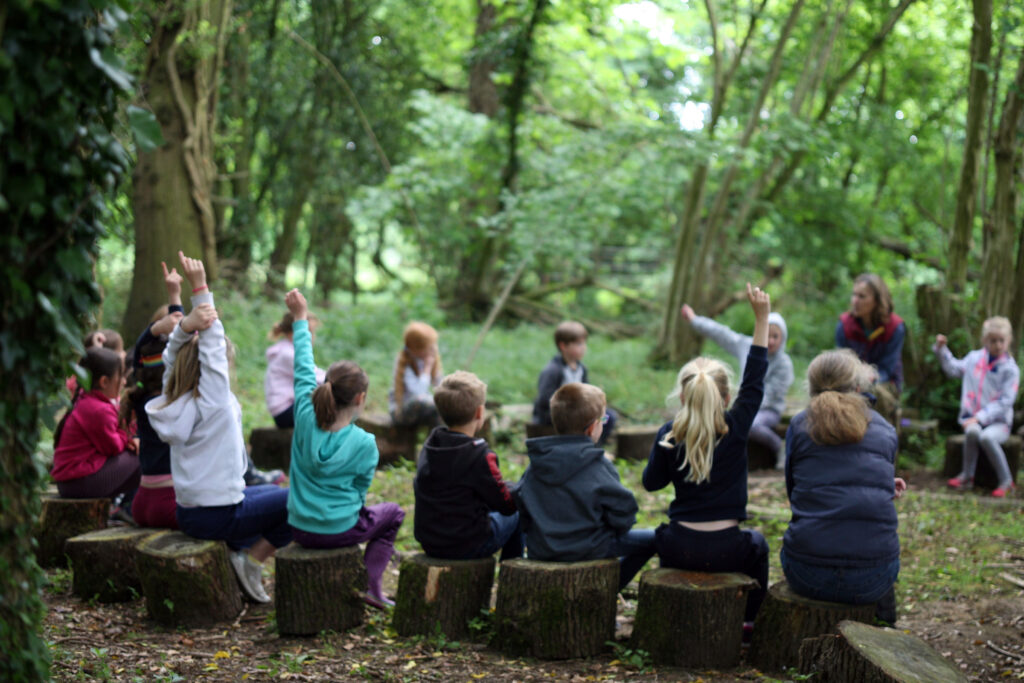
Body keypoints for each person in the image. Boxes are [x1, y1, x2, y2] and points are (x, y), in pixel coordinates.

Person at [147, 251, 291, 604]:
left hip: (191, 513)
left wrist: (181, 320)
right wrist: (201, 290)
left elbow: (171, 356)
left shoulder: (173, 394)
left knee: (272, 489)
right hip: (218, 515)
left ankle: (240, 550)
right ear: (214, 368)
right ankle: (250, 560)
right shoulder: (213, 399)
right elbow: (208, 349)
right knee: (305, 499)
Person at [644, 284, 772, 635]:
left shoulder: (670, 433)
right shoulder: (736, 426)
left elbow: (651, 483)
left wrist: (662, 450)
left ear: (683, 395)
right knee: (758, 545)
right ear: (727, 397)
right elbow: (756, 380)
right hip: (729, 550)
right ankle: (750, 621)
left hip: (678, 548)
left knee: (657, 535)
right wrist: (761, 319)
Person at [284, 288, 404, 609]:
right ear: (360, 399)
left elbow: (302, 365)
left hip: (298, 527)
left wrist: (299, 318)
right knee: (393, 513)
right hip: (339, 529)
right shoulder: (365, 443)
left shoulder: (305, 415)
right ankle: (373, 586)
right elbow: (361, 489)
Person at [781, 349, 906, 625]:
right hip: (873, 577)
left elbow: (795, 492)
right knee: (881, 566)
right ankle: (887, 628)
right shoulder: (885, 430)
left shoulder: (800, 426)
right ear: (859, 387)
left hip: (807, 572)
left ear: (812, 389)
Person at [516, 382, 655, 591]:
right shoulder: (598, 465)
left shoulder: (537, 463)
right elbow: (623, 512)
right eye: (604, 420)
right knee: (655, 539)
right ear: (592, 428)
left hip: (542, 548)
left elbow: (522, 504)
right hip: (591, 547)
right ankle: (609, 589)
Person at [414, 371, 521, 562]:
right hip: (468, 545)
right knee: (519, 511)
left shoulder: (431, 446)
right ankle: (513, 568)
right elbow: (505, 505)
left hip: (430, 541)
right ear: (479, 412)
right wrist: (517, 489)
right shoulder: (479, 455)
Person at [680, 302, 793, 465]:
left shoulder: (784, 364)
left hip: (768, 409)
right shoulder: (747, 345)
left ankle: (779, 446)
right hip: (743, 405)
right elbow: (720, 333)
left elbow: (772, 393)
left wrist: (743, 410)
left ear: (782, 338)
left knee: (750, 425)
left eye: (775, 337)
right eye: (767, 335)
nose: (771, 341)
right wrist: (694, 320)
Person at [121, 262, 185, 528]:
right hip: (170, 501)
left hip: (142, 502)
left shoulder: (140, 399)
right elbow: (182, 353)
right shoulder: (179, 403)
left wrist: (157, 327)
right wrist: (175, 296)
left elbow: (138, 357)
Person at [935, 316, 1019, 497]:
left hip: (999, 422)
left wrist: (981, 417)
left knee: (987, 437)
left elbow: (1006, 401)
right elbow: (953, 369)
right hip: (972, 418)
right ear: (984, 340)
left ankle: (1006, 481)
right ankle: (967, 476)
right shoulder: (974, 359)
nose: (997, 345)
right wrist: (942, 350)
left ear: (1008, 341)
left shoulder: (1010, 369)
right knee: (972, 432)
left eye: (1001, 341)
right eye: (993, 340)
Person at [52, 347, 140, 501]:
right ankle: (130, 506)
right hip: (78, 483)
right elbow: (113, 447)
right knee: (146, 455)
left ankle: (123, 505)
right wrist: (128, 438)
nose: (124, 382)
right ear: (104, 382)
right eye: (120, 377)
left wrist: (126, 435)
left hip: (72, 481)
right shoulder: (97, 409)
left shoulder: (86, 400)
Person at [532, 321, 616, 446]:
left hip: (578, 413)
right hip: (557, 416)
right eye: (578, 344)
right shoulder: (553, 370)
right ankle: (582, 447)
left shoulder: (582, 369)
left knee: (608, 417)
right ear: (563, 346)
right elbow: (544, 400)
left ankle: (594, 447)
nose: (584, 347)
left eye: (584, 343)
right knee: (583, 424)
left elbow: (588, 393)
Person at [835, 273, 905, 422]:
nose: (855, 301)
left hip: (885, 383)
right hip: (850, 380)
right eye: (854, 295)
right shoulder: (844, 325)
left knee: (875, 394)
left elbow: (888, 368)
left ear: (877, 300)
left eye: (862, 296)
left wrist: (869, 378)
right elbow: (840, 362)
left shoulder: (895, 327)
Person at [265, 310, 325, 429]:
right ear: (294, 333)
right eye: (310, 332)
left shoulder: (286, 349)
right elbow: (317, 377)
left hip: (287, 409)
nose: (313, 337)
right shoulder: (288, 354)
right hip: (286, 412)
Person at [389, 322, 442, 428]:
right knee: (427, 402)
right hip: (400, 414)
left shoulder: (425, 359)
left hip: (420, 411)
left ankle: (437, 442)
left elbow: (440, 384)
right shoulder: (404, 363)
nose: (433, 349)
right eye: (429, 346)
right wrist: (427, 369)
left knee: (442, 411)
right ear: (417, 349)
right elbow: (419, 394)